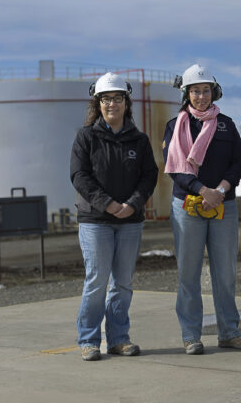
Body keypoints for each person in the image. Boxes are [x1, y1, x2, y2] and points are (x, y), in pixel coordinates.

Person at [163, 63, 241, 355]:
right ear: (186, 94)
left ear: (214, 92)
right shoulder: (175, 126)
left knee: (225, 272)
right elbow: (175, 168)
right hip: (188, 206)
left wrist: (220, 191)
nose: (201, 96)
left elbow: (238, 162)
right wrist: (203, 191)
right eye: (195, 91)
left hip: (223, 205)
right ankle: (191, 335)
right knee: (188, 274)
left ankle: (229, 332)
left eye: (206, 90)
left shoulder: (226, 124)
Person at [70, 72, 158, 361]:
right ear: (97, 103)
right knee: (97, 282)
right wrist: (107, 204)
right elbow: (79, 176)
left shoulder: (139, 140)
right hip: (96, 221)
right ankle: (89, 340)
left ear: (126, 102)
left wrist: (133, 204)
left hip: (129, 221)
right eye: (106, 99)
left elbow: (149, 175)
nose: (112, 104)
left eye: (117, 98)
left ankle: (119, 339)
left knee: (122, 283)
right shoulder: (86, 137)